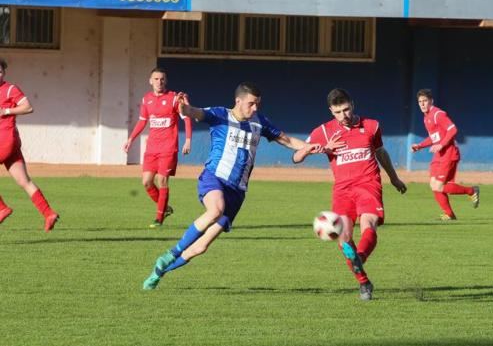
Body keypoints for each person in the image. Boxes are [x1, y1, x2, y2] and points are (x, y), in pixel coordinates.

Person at [142, 82, 321, 290]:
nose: (255, 108)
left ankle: (159, 271)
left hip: (238, 191)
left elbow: (288, 140)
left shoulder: (259, 122)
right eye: (251, 104)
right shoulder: (220, 114)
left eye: (258, 104)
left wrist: (308, 147)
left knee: (201, 247)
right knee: (215, 209)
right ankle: (172, 252)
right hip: (214, 178)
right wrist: (184, 108)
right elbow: (195, 112)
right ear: (239, 101)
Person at [292, 88, 407, 301]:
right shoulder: (324, 131)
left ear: (352, 104)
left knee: (368, 225)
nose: (343, 116)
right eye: (337, 112)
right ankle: (364, 282)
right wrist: (320, 148)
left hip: (368, 185)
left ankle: (359, 258)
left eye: (346, 109)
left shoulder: (371, 126)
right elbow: (296, 157)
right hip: (343, 191)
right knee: (344, 238)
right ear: (331, 111)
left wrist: (394, 178)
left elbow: (381, 152)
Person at [123, 67, 192, 228]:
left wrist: (188, 140)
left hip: (168, 147)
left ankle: (158, 219)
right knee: (146, 182)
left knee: (162, 180)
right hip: (152, 148)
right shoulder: (146, 99)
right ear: (150, 81)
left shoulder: (174, 98)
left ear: (165, 81)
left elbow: (187, 118)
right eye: (156, 79)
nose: (159, 82)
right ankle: (165, 208)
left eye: (162, 79)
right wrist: (130, 139)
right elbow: (142, 121)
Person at [0, 58, 59, 232]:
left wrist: (6, 111)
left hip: (4, 140)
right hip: (11, 144)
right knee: (24, 181)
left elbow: (28, 107)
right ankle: (48, 213)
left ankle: (2, 208)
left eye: (1, 71)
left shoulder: (10, 89)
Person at [411, 88, 479, 221]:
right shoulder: (426, 118)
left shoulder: (438, 114)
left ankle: (472, 191)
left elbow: (453, 129)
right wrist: (420, 146)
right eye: (420, 102)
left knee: (439, 186)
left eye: (425, 101)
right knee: (433, 184)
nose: (422, 104)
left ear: (431, 101)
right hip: (439, 155)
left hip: (449, 153)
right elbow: (433, 137)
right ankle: (449, 214)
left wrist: (441, 144)